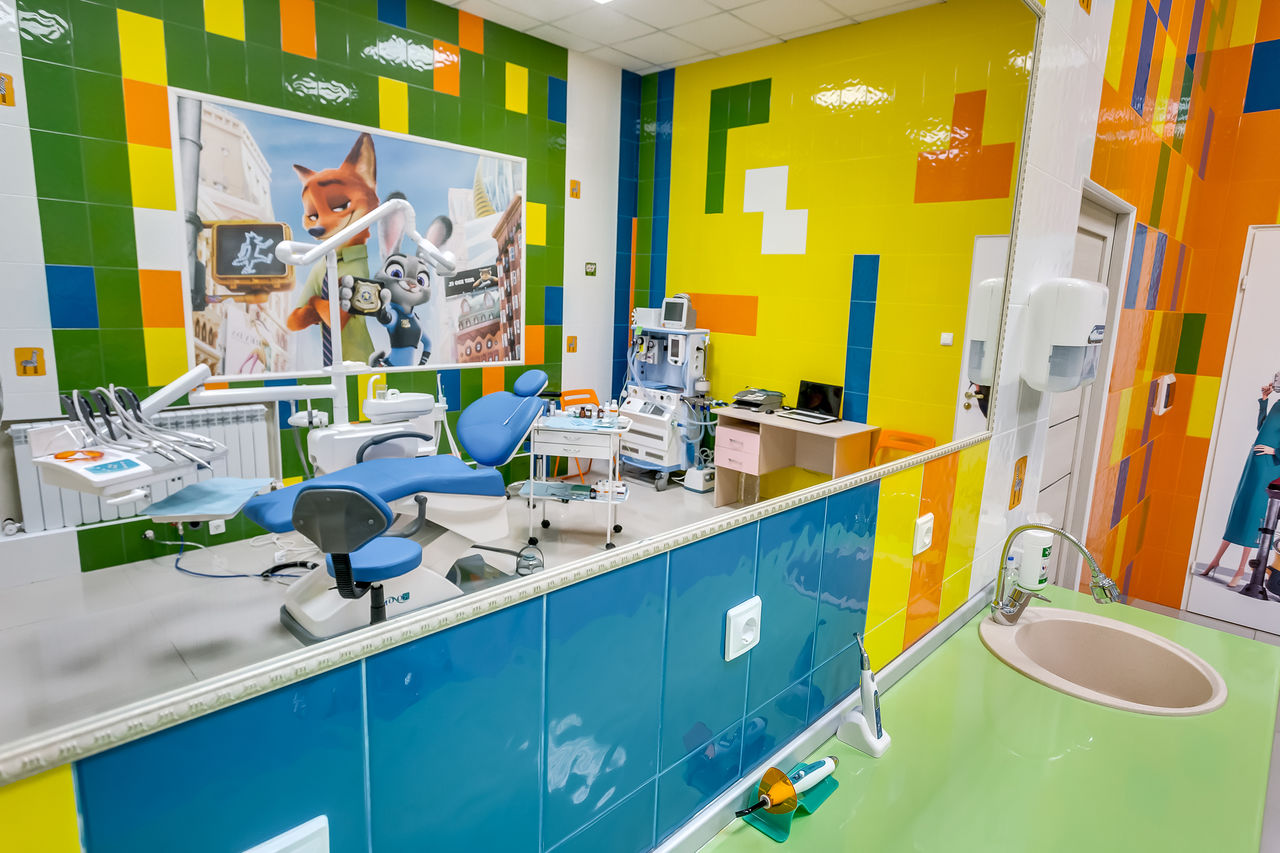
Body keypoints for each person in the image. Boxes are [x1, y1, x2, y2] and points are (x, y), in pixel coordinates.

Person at [1200, 380, 1280, 588]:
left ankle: (1241, 569)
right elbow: (1262, 428)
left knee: (1254, 514)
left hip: (1270, 467)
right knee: (1240, 508)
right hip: (1254, 463)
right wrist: (1264, 400)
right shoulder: (1278, 403)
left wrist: (1274, 451)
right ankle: (1216, 560)